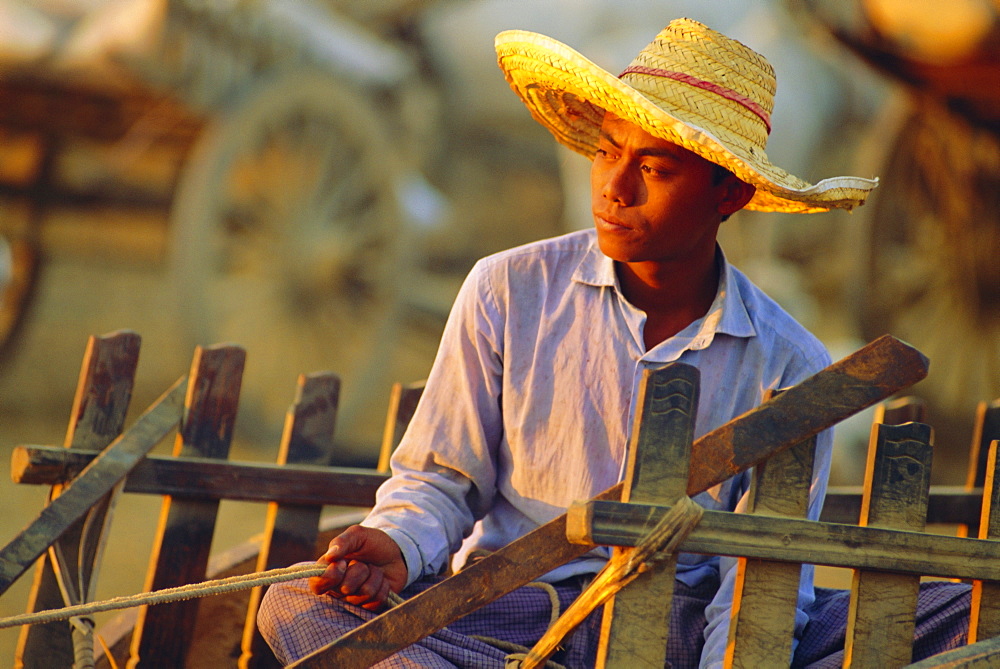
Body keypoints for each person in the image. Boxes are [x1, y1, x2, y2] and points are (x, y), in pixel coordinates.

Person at [257, 18, 960, 668]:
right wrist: (399, 548)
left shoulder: (789, 362)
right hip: (514, 609)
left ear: (729, 194)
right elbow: (441, 480)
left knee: (959, 607)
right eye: (606, 151)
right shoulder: (507, 289)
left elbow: (758, 581)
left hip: (680, 634)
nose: (613, 188)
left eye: (653, 169)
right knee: (295, 605)